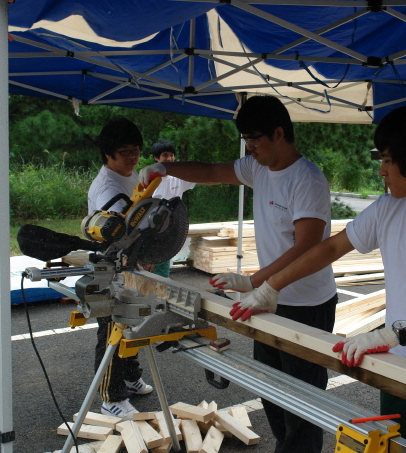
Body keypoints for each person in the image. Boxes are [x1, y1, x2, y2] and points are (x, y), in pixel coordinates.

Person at [229, 105, 406, 453]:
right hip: (400, 372)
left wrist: (392, 333)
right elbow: (331, 248)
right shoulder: (389, 208)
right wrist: (271, 287)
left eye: (388, 160)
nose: (381, 170)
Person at [138, 95, 337, 453]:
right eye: (245, 140)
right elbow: (212, 172)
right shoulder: (258, 166)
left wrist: (254, 281)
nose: (250, 148)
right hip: (268, 299)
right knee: (270, 385)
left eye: (255, 139)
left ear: (279, 134)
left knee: (302, 397)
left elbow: (306, 247)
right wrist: (165, 170)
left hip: (306, 303)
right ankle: (283, 446)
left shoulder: (307, 179)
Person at [88, 118, 153, 420]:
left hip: (130, 264)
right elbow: (116, 233)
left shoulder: (131, 175)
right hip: (108, 266)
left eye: (136, 150)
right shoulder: (107, 188)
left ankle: (130, 376)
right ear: (108, 154)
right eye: (125, 152)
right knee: (111, 329)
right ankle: (110, 396)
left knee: (131, 319)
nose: (133, 157)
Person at [149, 139, 196, 278]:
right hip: (151, 227)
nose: (169, 158)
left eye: (171, 155)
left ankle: (162, 285)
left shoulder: (178, 177)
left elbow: (199, 177)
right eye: (165, 155)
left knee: (163, 262)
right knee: (149, 263)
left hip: (171, 227)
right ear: (156, 158)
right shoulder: (149, 178)